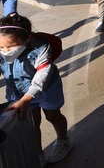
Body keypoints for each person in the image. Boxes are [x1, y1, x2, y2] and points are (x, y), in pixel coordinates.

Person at [0, 14, 72, 164]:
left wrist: (27, 98)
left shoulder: (40, 48)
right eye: (1, 47)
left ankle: (63, 140)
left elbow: (43, 75)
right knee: (31, 124)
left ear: (27, 39)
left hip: (46, 89)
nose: (6, 51)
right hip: (18, 91)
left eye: (12, 46)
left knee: (53, 115)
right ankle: (37, 153)